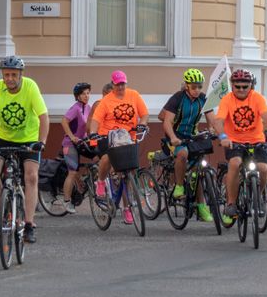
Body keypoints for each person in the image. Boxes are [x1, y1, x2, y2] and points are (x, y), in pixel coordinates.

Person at [0, 56, 49, 244]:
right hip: (4, 137)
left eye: (13, 75)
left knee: (31, 176)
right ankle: (3, 210)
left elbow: (43, 116)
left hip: (29, 139)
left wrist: (42, 141)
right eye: (6, 74)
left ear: (20, 75)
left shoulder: (30, 87)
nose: (9, 78)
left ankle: (30, 224)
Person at [210, 69, 267, 225]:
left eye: (245, 86)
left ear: (251, 86)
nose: (242, 89)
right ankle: (231, 203)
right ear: (232, 86)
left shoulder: (257, 98)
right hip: (234, 142)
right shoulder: (227, 100)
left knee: (263, 169)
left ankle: (258, 196)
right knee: (235, 163)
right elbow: (218, 121)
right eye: (238, 86)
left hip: (257, 141)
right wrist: (223, 137)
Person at [90, 70, 149, 225]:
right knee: (107, 158)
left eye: (123, 84)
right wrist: (92, 133)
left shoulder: (134, 95)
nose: (121, 87)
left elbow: (144, 114)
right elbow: (96, 120)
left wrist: (142, 125)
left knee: (129, 172)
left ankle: (127, 208)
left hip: (128, 137)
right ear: (113, 84)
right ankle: (101, 182)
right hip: (108, 137)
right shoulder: (106, 101)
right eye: (118, 84)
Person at [159, 69, 215, 222]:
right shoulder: (177, 98)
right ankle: (178, 186)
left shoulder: (203, 98)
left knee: (198, 169)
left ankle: (201, 206)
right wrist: (172, 137)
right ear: (187, 86)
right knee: (182, 154)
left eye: (199, 87)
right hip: (176, 136)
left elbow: (212, 118)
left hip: (192, 135)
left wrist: (212, 129)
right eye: (194, 87)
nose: (197, 90)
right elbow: (167, 121)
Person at [58, 82, 92, 214]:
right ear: (77, 96)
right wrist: (71, 137)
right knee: (72, 172)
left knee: (98, 157)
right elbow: (64, 121)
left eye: (88, 93)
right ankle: (66, 201)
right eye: (83, 93)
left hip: (82, 142)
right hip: (70, 144)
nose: (86, 96)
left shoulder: (88, 107)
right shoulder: (76, 108)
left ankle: (89, 184)